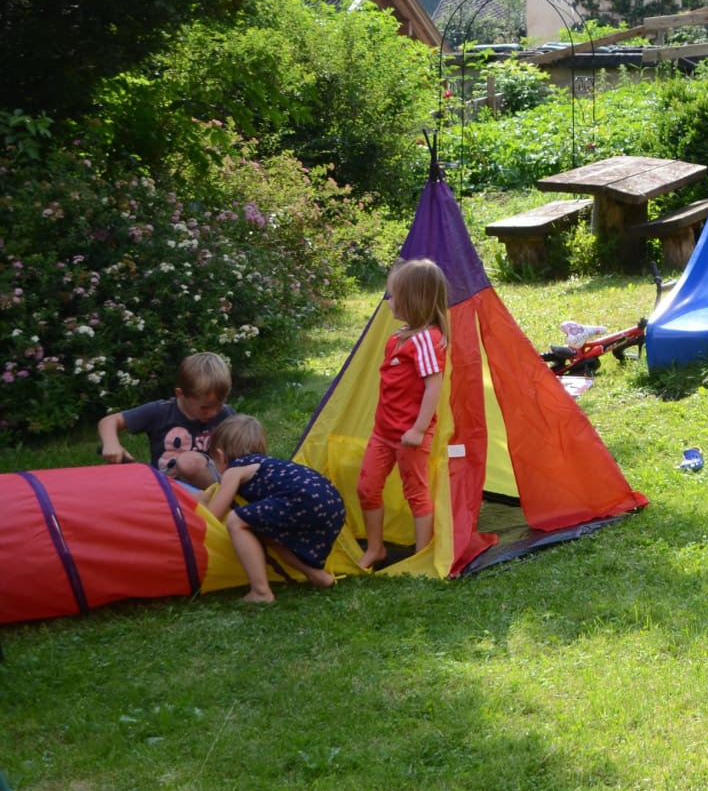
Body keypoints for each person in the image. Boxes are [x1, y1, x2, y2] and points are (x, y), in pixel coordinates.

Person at [355, 258, 449, 570]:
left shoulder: (426, 340)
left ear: (413, 299)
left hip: (410, 435)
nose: (389, 301)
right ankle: (376, 548)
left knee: (416, 493)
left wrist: (419, 430)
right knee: (367, 488)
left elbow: (434, 386)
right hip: (383, 432)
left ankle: (421, 555)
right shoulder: (400, 336)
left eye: (393, 295)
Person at [201, 414, 345, 604]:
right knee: (267, 534)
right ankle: (318, 576)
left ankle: (261, 592)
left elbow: (213, 515)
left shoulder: (234, 470)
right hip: (332, 502)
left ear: (220, 455)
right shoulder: (268, 465)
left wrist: (199, 513)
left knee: (236, 521)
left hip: (304, 498)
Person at [96, 352, 235, 465]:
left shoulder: (226, 414)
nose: (213, 412)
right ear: (181, 394)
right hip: (166, 487)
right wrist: (111, 444)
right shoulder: (160, 411)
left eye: (220, 404)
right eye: (205, 407)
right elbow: (109, 421)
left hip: (211, 485)